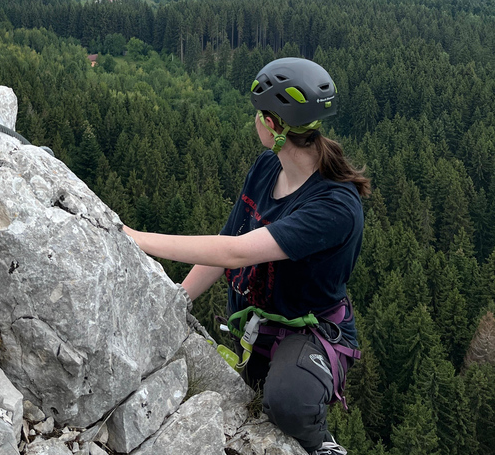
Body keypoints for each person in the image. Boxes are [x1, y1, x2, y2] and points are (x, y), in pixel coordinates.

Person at [123, 58, 370, 455]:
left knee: (288, 403)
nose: (255, 121)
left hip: (309, 331)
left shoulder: (335, 205)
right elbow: (228, 241)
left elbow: (234, 252)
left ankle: (321, 445)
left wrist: (134, 238)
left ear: (271, 125)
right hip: (256, 326)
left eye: (258, 115)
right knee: (248, 395)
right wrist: (177, 301)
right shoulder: (266, 168)